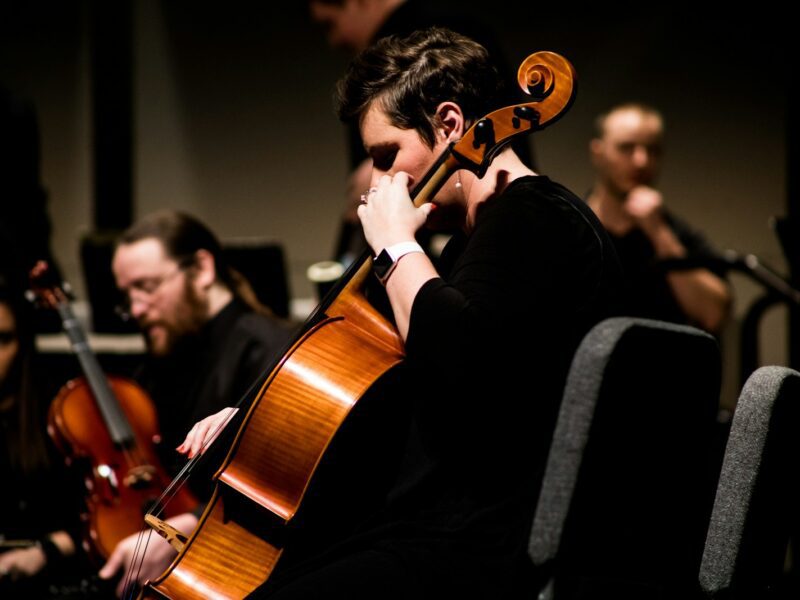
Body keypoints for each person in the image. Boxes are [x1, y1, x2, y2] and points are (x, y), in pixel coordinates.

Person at [180, 28, 623, 598]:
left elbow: (460, 366)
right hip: (454, 535)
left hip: (477, 550)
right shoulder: (478, 242)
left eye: (387, 156)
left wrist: (394, 247)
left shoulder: (531, 218)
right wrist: (259, 425)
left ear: (449, 124)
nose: (381, 181)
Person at [98, 210, 295, 595]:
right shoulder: (165, 356)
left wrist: (186, 525)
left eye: (148, 286)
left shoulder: (267, 348)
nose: (137, 309)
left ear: (202, 269)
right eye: (128, 295)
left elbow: (281, 488)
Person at [308, 0, 534, 267]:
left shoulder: (432, 41)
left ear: (449, 125)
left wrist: (398, 244)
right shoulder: (462, 248)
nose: (333, 41)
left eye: (330, 25)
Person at [586, 102, 732, 334]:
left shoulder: (675, 233)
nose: (641, 161)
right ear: (598, 152)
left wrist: (658, 232)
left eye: (652, 150)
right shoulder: (572, 228)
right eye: (626, 148)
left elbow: (713, 313)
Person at [0, 275, 87, 598]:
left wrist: (45, 551)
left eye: (3, 339)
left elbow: (96, 520)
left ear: (22, 343)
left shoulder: (59, 415)